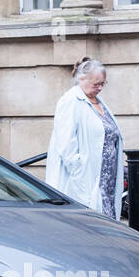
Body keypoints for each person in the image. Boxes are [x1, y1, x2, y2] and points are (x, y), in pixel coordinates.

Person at [46, 56, 123, 219]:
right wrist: (79, 171)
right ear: (81, 78)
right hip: (85, 181)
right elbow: (65, 143)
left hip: (105, 181)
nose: (100, 88)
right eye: (96, 84)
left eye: (103, 83)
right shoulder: (70, 101)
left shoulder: (99, 102)